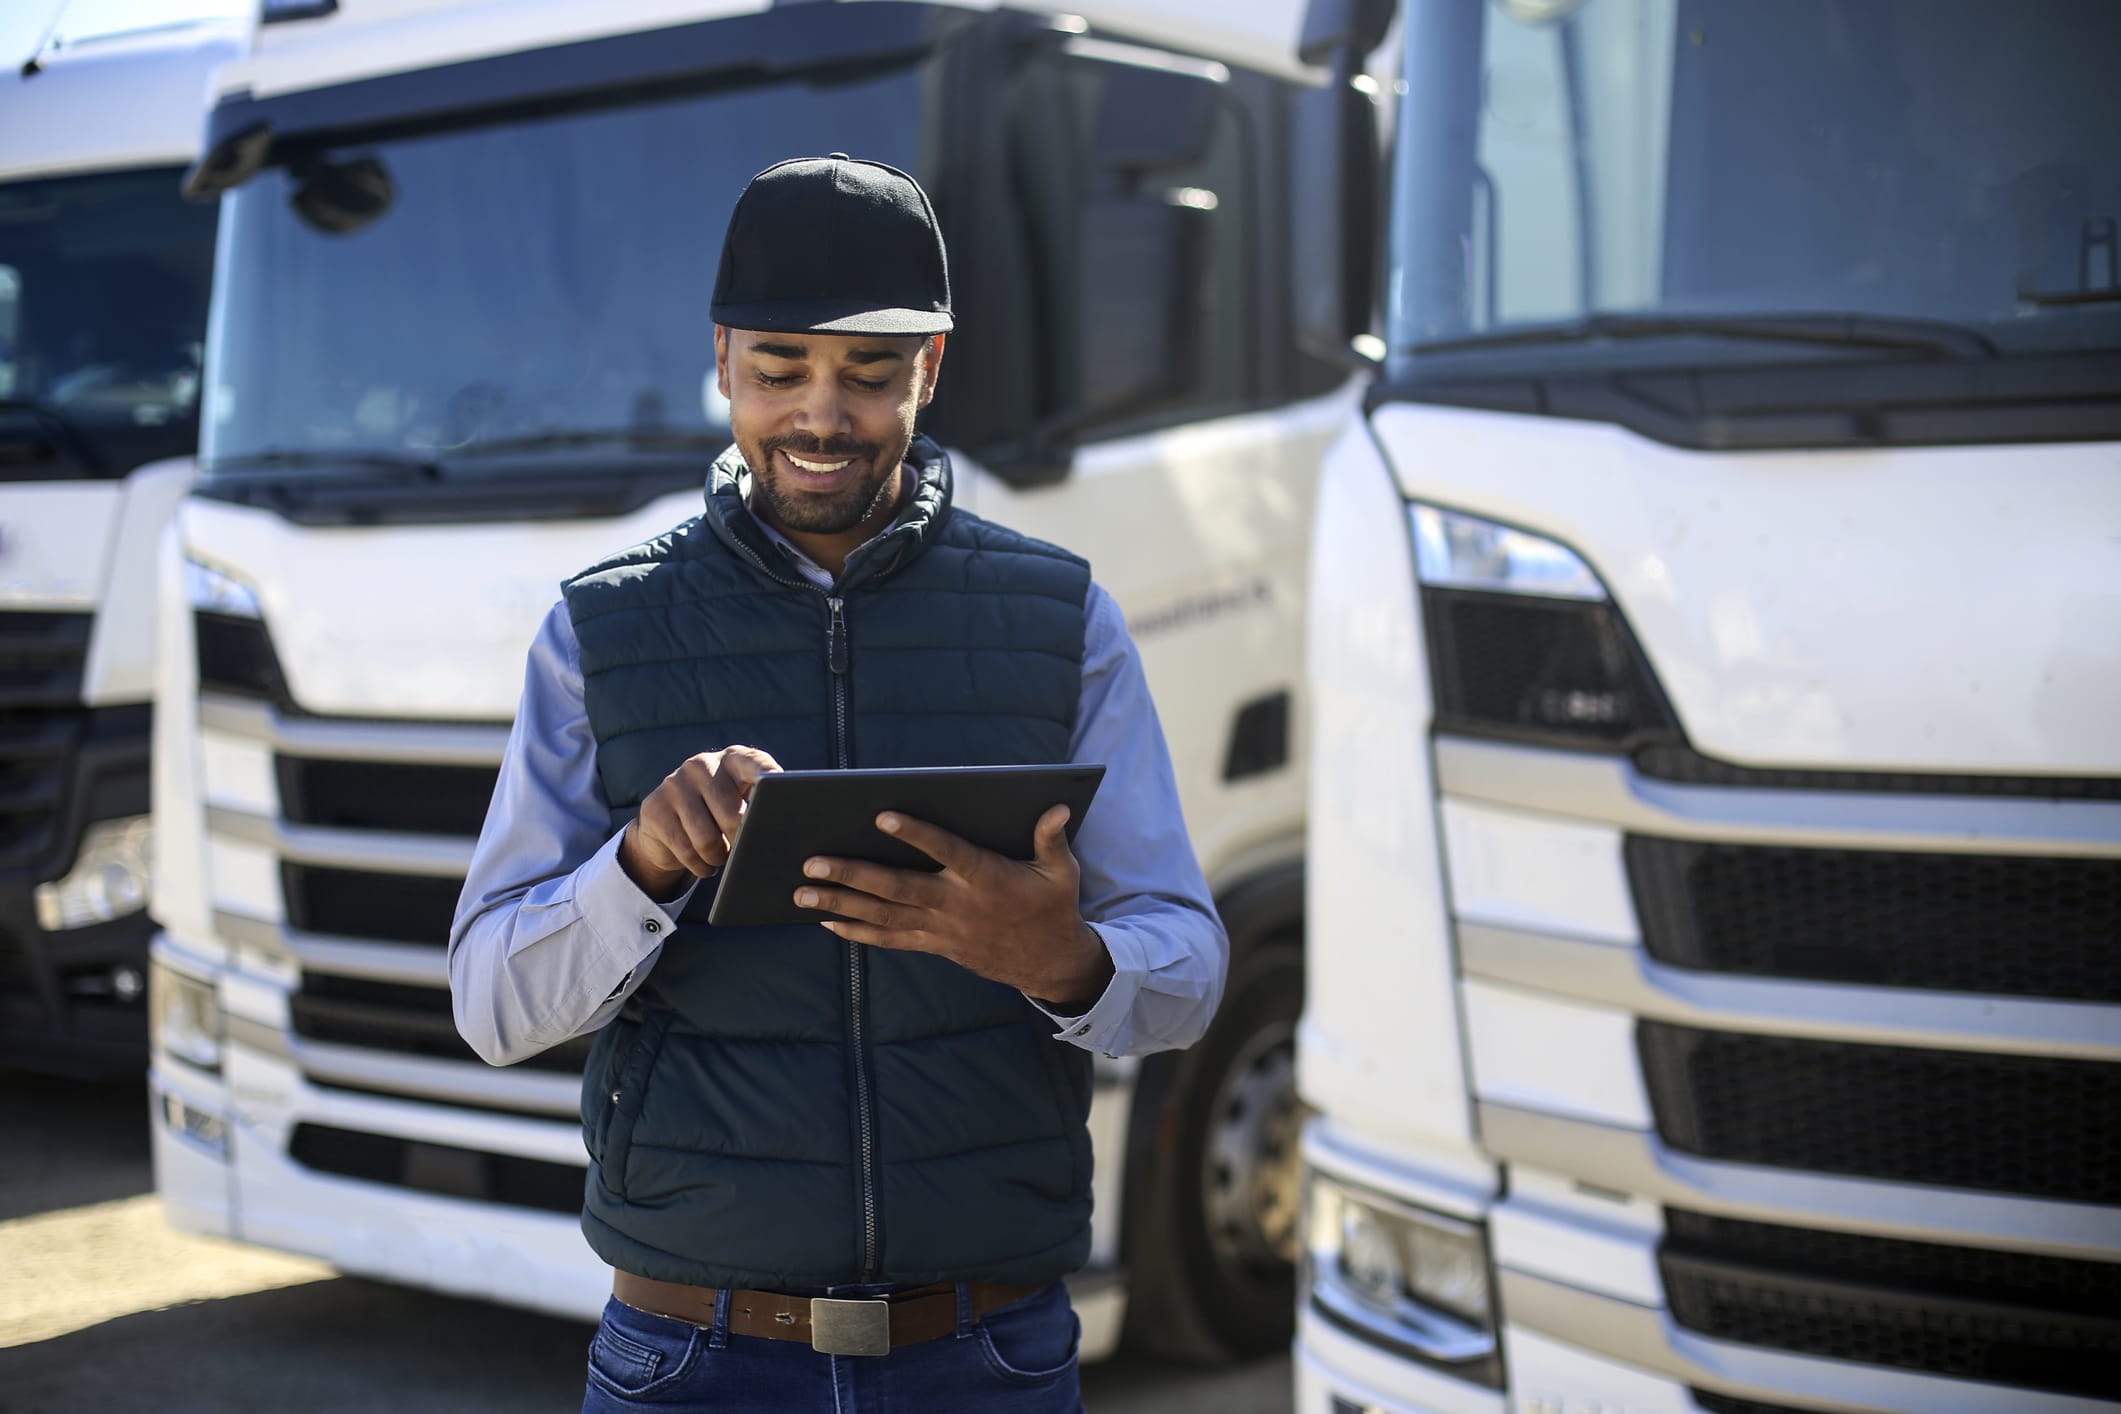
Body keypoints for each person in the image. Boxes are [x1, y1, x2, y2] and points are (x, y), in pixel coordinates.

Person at [448, 154, 1228, 1414]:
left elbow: (1186, 964)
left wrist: (1062, 959)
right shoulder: (596, 633)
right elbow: (491, 1004)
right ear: (721, 362)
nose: (821, 416)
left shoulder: (1064, 619)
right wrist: (640, 865)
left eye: (868, 375)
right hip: (689, 1356)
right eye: (778, 372)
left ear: (930, 368)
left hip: (988, 1356)